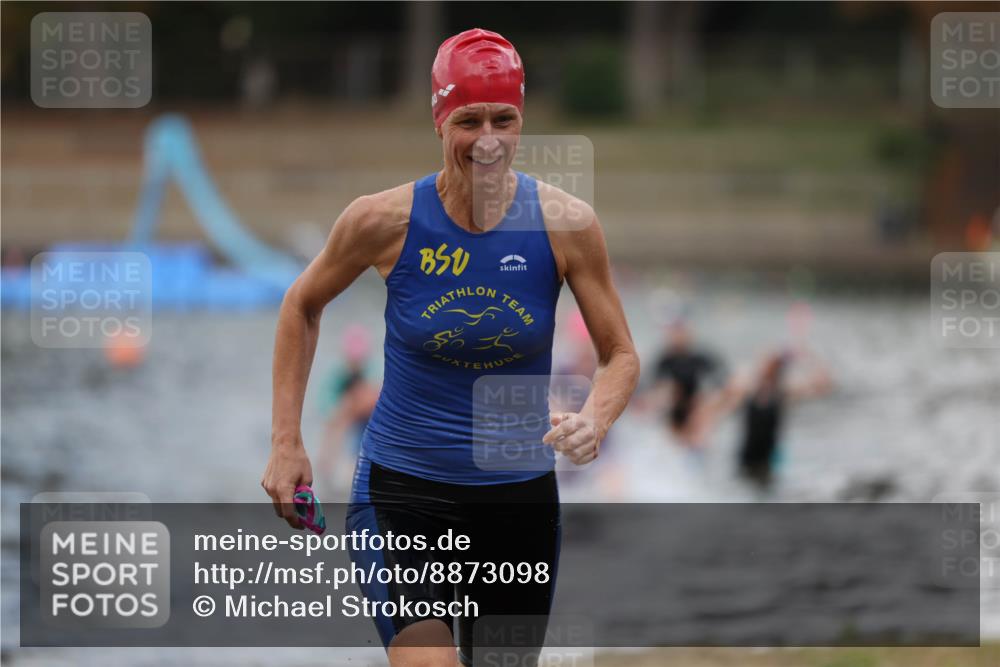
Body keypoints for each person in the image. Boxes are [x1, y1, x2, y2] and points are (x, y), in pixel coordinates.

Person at [261, 28, 639, 667]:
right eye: (469, 120)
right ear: (439, 121)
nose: (488, 139)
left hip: (518, 497)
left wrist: (594, 420)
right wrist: (286, 441)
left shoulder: (564, 223)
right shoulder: (383, 220)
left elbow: (620, 355)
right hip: (405, 490)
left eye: (504, 119)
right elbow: (301, 304)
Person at [735, 347, 832, 491]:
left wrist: (809, 357)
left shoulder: (783, 392)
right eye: (766, 364)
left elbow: (823, 385)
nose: (767, 368)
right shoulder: (749, 389)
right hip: (746, 456)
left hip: (769, 458)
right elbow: (729, 389)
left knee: (767, 491)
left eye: (772, 365)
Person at [642, 318, 729, 449]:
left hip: (695, 405)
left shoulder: (700, 358)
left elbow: (720, 377)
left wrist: (706, 399)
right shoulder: (665, 359)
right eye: (675, 333)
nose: (678, 337)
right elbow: (653, 384)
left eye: (681, 333)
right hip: (673, 407)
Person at [315, 324, 379, 493]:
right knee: (336, 426)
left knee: (356, 441)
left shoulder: (372, 371)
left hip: (365, 417)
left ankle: (349, 469)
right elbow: (325, 402)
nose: (355, 363)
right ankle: (327, 466)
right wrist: (342, 409)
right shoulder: (338, 374)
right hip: (346, 416)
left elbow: (375, 394)